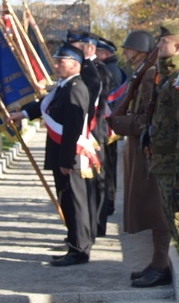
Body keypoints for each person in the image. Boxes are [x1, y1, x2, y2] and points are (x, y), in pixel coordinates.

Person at [9, 43, 96, 266]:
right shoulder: (65, 86)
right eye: (56, 61)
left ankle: (79, 251)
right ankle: (74, 245)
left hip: (71, 156)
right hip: (62, 154)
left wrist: (66, 160)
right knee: (66, 200)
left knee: (75, 203)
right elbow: (44, 105)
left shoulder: (76, 88)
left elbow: (73, 128)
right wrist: (22, 114)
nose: (56, 65)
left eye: (61, 62)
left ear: (75, 64)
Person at [105, 29, 171, 287]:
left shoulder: (149, 75)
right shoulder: (143, 73)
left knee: (158, 212)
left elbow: (148, 120)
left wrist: (121, 124)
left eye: (129, 49)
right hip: (143, 150)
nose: (125, 53)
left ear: (142, 50)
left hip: (149, 151)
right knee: (154, 211)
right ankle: (157, 263)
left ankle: (160, 264)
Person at [134, 19, 179, 296]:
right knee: (173, 225)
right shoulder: (165, 75)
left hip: (172, 167)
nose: (158, 46)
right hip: (162, 162)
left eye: (163, 42)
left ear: (178, 45)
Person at [67, 30, 113, 238]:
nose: (71, 50)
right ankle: (87, 229)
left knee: (94, 182)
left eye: (75, 46)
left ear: (90, 48)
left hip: (92, 133)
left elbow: (88, 103)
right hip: (86, 133)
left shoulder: (95, 70)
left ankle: (94, 227)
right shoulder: (86, 68)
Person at [95, 35, 126, 219]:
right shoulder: (113, 68)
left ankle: (108, 202)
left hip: (106, 127)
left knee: (106, 167)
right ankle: (109, 201)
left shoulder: (107, 70)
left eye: (97, 51)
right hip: (111, 127)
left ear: (105, 53)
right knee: (109, 166)